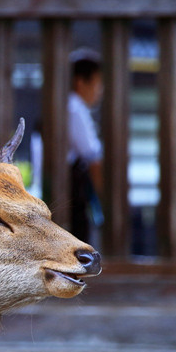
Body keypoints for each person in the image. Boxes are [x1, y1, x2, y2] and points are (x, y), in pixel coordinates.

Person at [67, 48, 104, 243]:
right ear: (80, 82)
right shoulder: (75, 108)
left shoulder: (67, 105)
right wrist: (104, 196)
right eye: (97, 83)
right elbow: (92, 157)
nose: (100, 91)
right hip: (72, 190)